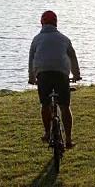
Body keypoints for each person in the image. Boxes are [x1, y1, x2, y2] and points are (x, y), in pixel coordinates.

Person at [28, 10, 81, 149]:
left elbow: (31, 60)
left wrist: (32, 77)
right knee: (64, 106)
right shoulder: (64, 38)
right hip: (61, 73)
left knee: (45, 105)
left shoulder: (36, 39)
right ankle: (68, 140)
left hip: (43, 73)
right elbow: (72, 56)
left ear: (42, 23)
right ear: (56, 23)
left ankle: (47, 134)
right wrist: (76, 74)